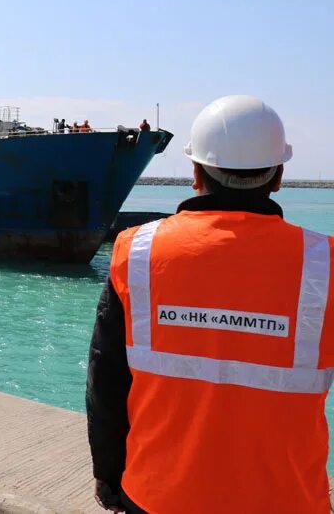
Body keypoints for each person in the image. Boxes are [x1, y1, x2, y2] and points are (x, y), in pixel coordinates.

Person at [87, 95, 332, 514]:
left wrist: (110, 475)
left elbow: (106, 379)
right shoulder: (324, 264)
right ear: (278, 176)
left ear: (196, 174)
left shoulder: (138, 253)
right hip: (287, 501)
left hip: (156, 497)